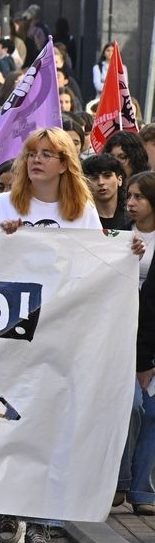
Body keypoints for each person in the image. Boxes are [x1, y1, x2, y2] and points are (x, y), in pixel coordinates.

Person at [0, 127, 140, 543]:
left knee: (49, 427)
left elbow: (95, 264)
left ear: (65, 164)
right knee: (9, 422)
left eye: (48, 154)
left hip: (60, 331)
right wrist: (0, 241)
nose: (37, 160)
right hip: (11, 333)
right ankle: (8, 503)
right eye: (32, 153)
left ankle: (40, 526)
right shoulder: (2, 205)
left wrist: (128, 251)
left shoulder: (81, 210)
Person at [120, 170, 155, 514]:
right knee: (129, 408)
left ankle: (142, 491)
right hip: (119, 337)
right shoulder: (117, 233)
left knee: (153, 413)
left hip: (150, 341)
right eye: (129, 195)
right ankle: (120, 481)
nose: (131, 203)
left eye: (139, 197)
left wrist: (148, 359)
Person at [82, 153, 129, 229]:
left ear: (119, 180)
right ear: (86, 183)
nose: (101, 182)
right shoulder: (81, 220)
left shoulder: (133, 219)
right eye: (94, 177)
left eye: (107, 176)